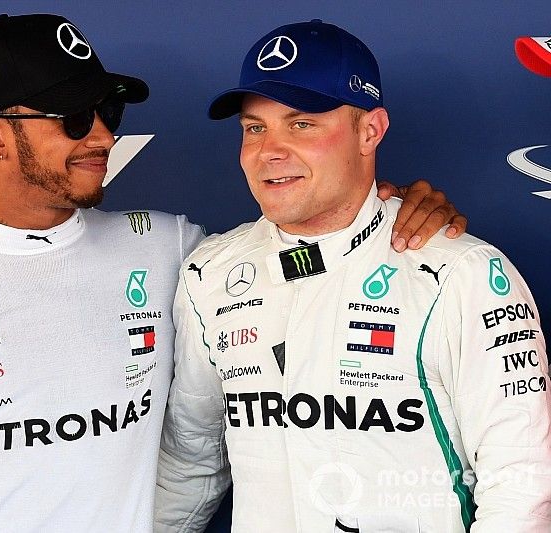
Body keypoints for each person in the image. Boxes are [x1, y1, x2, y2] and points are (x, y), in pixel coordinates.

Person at [0, 14, 464, 532]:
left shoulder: (170, 249)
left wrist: (395, 208)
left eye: (110, 114)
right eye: (74, 118)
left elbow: (312, 247)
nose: (102, 136)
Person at [156, 19, 551, 533]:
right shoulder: (209, 272)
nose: (268, 150)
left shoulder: (464, 273)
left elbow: (522, 487)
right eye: (254, 128)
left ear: (370, 131)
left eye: (302, 124)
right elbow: (190, 461)